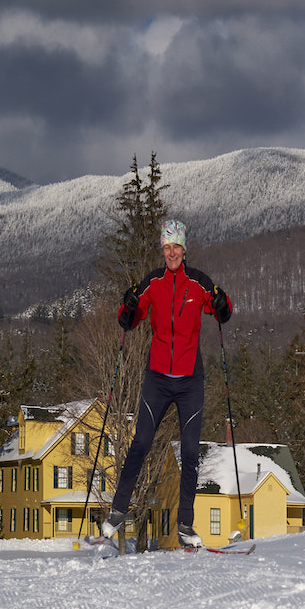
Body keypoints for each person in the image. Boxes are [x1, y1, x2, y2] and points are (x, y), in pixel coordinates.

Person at [103, 219, 232, 550]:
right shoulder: (153, 282)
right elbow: (128, 320)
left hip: (190, 380)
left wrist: (222, 304)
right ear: (162, 250)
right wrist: (127, 306)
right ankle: (118, 510)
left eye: (176, 246)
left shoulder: (198, 282)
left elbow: (222, 311)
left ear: (184, 249)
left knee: (190, 453)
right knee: (141, 443)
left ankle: (186, 525)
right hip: (157, 378)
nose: (171, 252)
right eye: (166, 247)